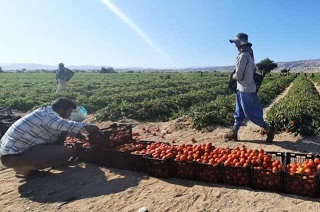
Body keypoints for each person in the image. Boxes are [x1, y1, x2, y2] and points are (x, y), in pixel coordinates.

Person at [0, 97, 100, 179]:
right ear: (61, 110)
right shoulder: (47, 116)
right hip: (12, 157)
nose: (70, 114)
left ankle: (31, 164)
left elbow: (63, 127)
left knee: (63, 135)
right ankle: (24, 169)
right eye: (69, 111)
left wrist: (79, 135)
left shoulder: (46, 112)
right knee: (66, 152)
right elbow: (63, 124)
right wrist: (88, 126)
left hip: (16, 153)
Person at [225, 33, 275, 143]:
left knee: (251, 114)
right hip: (243, 88)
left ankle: (268, 128)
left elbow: (239, 75)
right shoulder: (249, 54)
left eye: (236, 42)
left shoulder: (243, 56)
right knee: (239, 112)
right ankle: (234, 132)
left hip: (245, 89)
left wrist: (233, 76)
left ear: (240, 42)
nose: (235, 45)